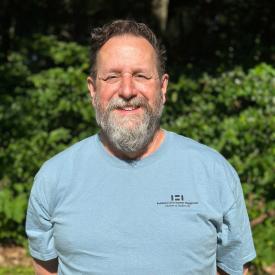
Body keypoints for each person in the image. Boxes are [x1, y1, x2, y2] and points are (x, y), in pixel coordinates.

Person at [26, 20, 256, 275]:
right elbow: (47, 269)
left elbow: (234, 268)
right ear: (92, 90)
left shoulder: (213, 172)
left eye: (141, 75)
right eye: (112, 76)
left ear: (162, 87)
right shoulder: (54, 177)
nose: (127, 90)